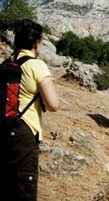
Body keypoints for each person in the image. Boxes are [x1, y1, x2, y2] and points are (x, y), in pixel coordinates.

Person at [0, 19, 60, 201]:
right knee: (24, 188)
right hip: (24, 132)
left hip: (3, 129)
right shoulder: (36, 65)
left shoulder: (8, 63)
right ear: (37, 43)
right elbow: (53, 104)